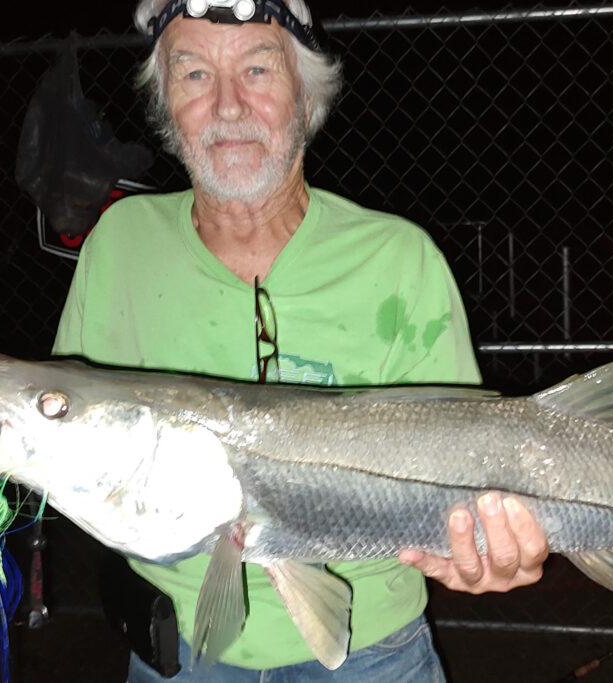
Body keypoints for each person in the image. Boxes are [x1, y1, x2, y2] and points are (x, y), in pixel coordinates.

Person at [53, 1, 549, 679]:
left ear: (305, 95)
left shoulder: (401, 260)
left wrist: (488, 546)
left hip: (374, 652)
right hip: (180, 650)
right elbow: (76, 438)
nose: (228, 106)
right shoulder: (119, 246)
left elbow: (474, 477)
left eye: (257, 68)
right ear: (165, 102)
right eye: (194, 74)